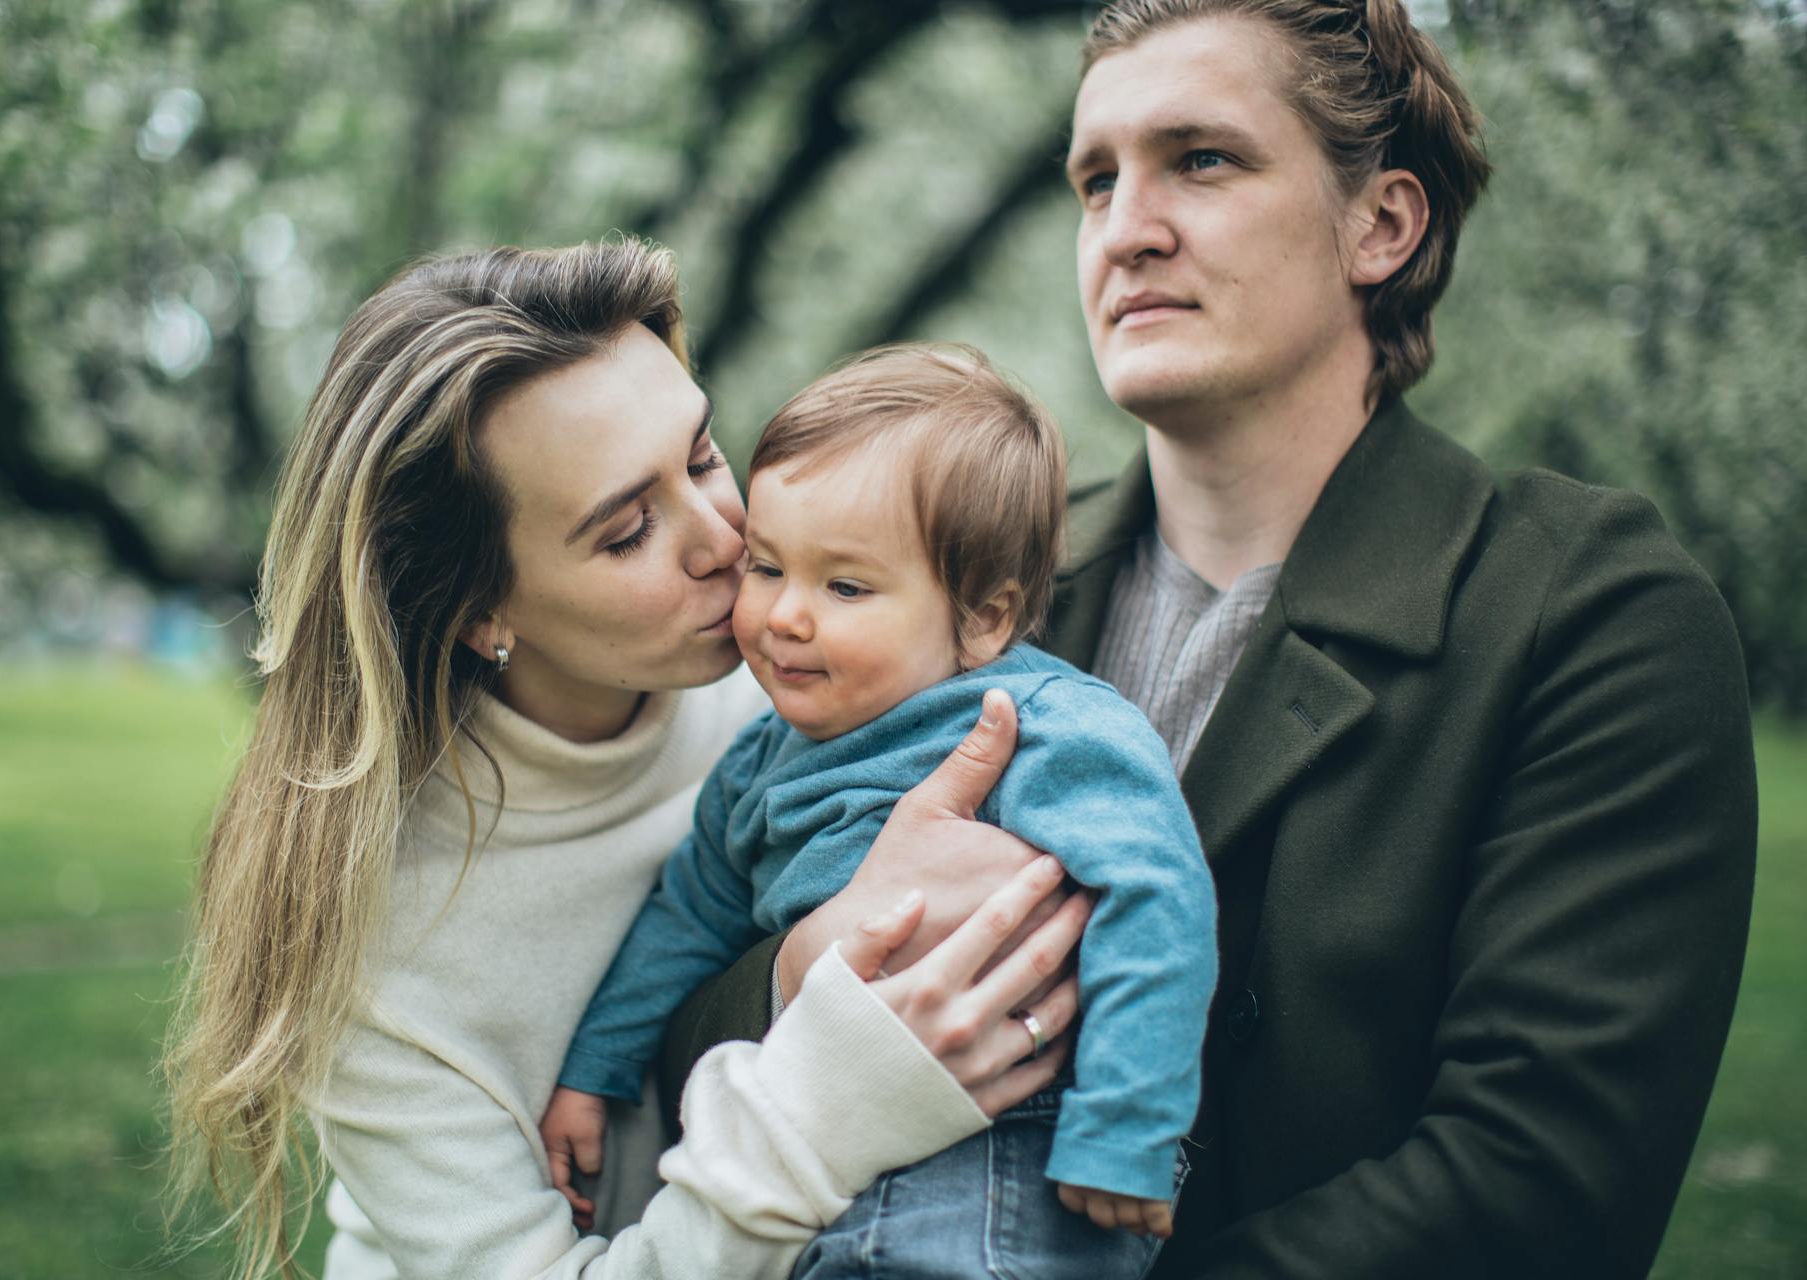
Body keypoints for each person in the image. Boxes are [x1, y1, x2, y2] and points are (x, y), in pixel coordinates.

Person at [661, 2, 1760, 1275]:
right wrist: (814, 960)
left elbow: (1538, 1186)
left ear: (1382, 224)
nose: (1128, 229)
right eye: (1094, 180)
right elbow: (687, 1011)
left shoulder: (1588, 613)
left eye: (1204, 159)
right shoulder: (939, 599)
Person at [160, 241, 1094, 1280]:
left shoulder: (806, 681)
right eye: (628, 530)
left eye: (700, 456)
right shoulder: (380, 937)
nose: (727, 538)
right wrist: (831, 1087)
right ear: (480, 610)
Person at [540, 344, 1218, 1276]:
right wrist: (592, 1071)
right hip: (835, 1127)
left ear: (983, 618)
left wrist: (1126, 1125)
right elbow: (686, 917)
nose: (785, 616)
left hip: (1010, 1139)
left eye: (845, 587)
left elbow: (1159, 895)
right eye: (768, 567)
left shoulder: (1042, 729)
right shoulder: (758, 760)